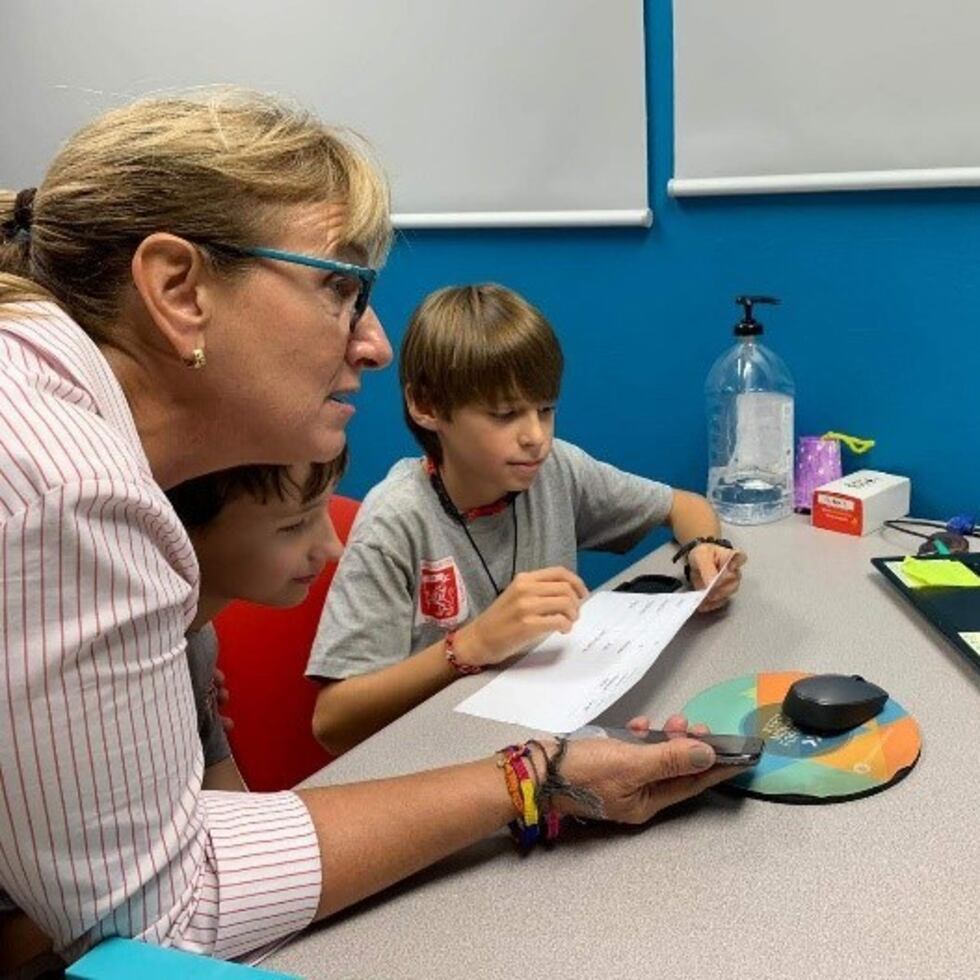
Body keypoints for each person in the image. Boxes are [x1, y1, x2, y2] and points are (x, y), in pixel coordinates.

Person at [0, 90, 737, 971]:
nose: (374, 345)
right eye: (342, 290)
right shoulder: (72, 491)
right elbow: (155, 919)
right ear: (177, 289)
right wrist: (534, 778)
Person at [308, 284, 747, 754]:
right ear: (427, 406)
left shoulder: (555, 470)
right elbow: (332, 722)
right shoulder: (396, 520)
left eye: (546, 409)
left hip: (540, 735)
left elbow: (684, 506)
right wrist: (470, 645)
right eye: (505, 414)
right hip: (440, 755)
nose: (536, 436)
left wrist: (703, 548)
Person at [166, 451, 348, 792]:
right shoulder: (140, 657)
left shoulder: (199, 641)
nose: (333, 547)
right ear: (174, 525)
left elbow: (229, 797)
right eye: (294, 525)